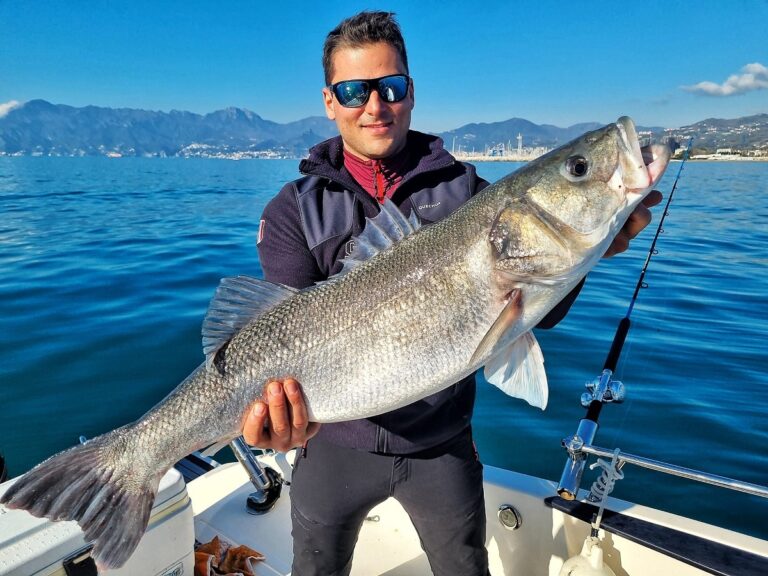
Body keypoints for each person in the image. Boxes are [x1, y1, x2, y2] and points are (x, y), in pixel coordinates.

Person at [243, 11, 662, 576]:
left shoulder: (467, 193)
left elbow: (541, 310)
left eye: (391, 87)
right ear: (328, 100)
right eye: (353, 90)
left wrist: (592, 250)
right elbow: (273, 337)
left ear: (411, 93)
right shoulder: (293, 210)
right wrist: (268, 420)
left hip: (441, 446)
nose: (375, 106)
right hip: (331, 445)